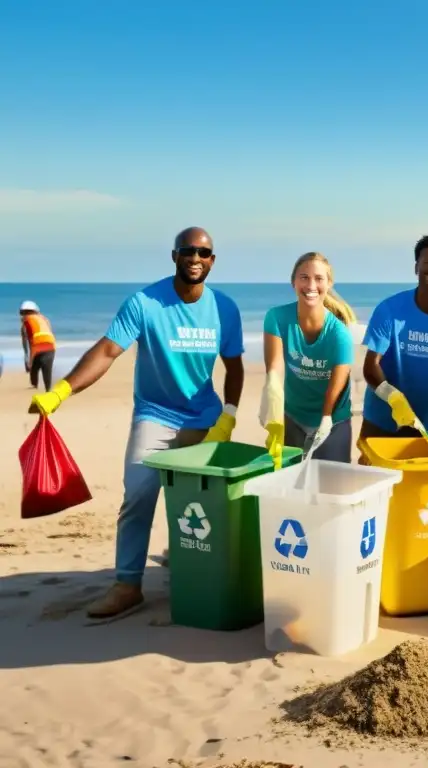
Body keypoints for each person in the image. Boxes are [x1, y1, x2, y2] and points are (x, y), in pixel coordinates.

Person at [28, 227, 244, 620]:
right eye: (187, 251)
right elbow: (108, 350)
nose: (195, 258)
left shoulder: (225, 308)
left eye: (204, 252)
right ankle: (128, 585)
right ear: (174, 256)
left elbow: (235, 367)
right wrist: (60, 391)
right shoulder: (144, 303)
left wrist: (228, 416)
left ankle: (195, 567)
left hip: (205, 420)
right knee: (139, 496)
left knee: (203, 504)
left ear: (213, 260)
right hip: (155, 415)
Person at [360, 234, 428, 443]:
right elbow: (370, 366)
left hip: (425, 426)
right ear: (416, 268)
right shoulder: (389, 310)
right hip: (380, 422)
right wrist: (395, 400)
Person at [261, 252, 356, 467]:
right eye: (304, 277)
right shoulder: (276, 317)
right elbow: (274, 367)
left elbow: (336, 387)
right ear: (293, 282)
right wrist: (272, 406)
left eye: (319, 278)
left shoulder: (339, 334)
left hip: (333, 419)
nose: (311, 285)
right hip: (293, 416)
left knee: (332, 490)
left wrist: (326, 419)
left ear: (329, 283)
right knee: (289, 486)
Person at [20, 300, 57, 391]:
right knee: (47, 369)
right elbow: (50, 331)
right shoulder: (45, 319)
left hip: (37, 346)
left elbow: (26, 341)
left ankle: (34, 385)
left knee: (33, 366)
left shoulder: (26, 322)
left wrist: (27, 358)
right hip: (51, 346)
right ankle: (48, 388)